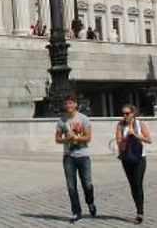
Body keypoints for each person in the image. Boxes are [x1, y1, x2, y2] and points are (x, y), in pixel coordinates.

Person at [55, 95, 95, 223]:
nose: (68, 106)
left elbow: (88, 138)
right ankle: (76, 212)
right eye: (66, 103)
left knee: (87, 184)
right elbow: (57, 139)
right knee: (71, 187)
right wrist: (67, 139)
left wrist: (76, 138)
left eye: (70, 103)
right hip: (69, 157)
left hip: (83, 155)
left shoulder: (83, 119)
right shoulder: (61, 121)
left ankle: (90, 202)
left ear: (76, 104)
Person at [116, 104, 152, 224]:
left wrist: (136, 135)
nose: (125, 116)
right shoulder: (120, 125)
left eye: (127, 113)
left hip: (139, 159)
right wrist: (125, 139)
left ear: (133, 114)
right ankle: (138, 208)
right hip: (127, 159)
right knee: (133, 185)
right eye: (123, 114)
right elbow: (119, 143)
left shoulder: (139, 124)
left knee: (138, 183)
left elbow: (149, 139)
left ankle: (140, 212)